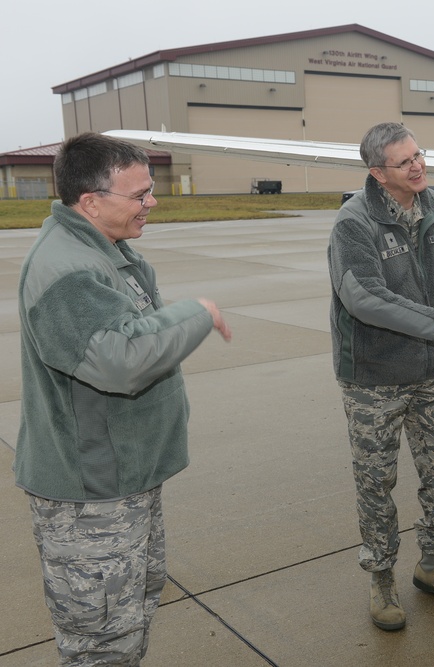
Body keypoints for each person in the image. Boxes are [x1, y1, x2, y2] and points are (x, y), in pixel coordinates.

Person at [15, 132, 232, 665]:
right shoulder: (68, 270)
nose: (151, 202)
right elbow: (122, 360)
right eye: (140, 195)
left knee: (127, 617)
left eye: (149, 190)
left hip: (123, 482)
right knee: (101, 639)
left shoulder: (106, 252)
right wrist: (196, 311)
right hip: (90, 496)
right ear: (90, 201)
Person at [328, 122, 434, 632]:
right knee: (377, 483)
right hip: (373, 378)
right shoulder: (354, 223)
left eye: (420, 155)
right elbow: (363, 297)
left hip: (431, 374)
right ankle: (380, 578)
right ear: (377, 172)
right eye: (405, 162)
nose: (418, 166)